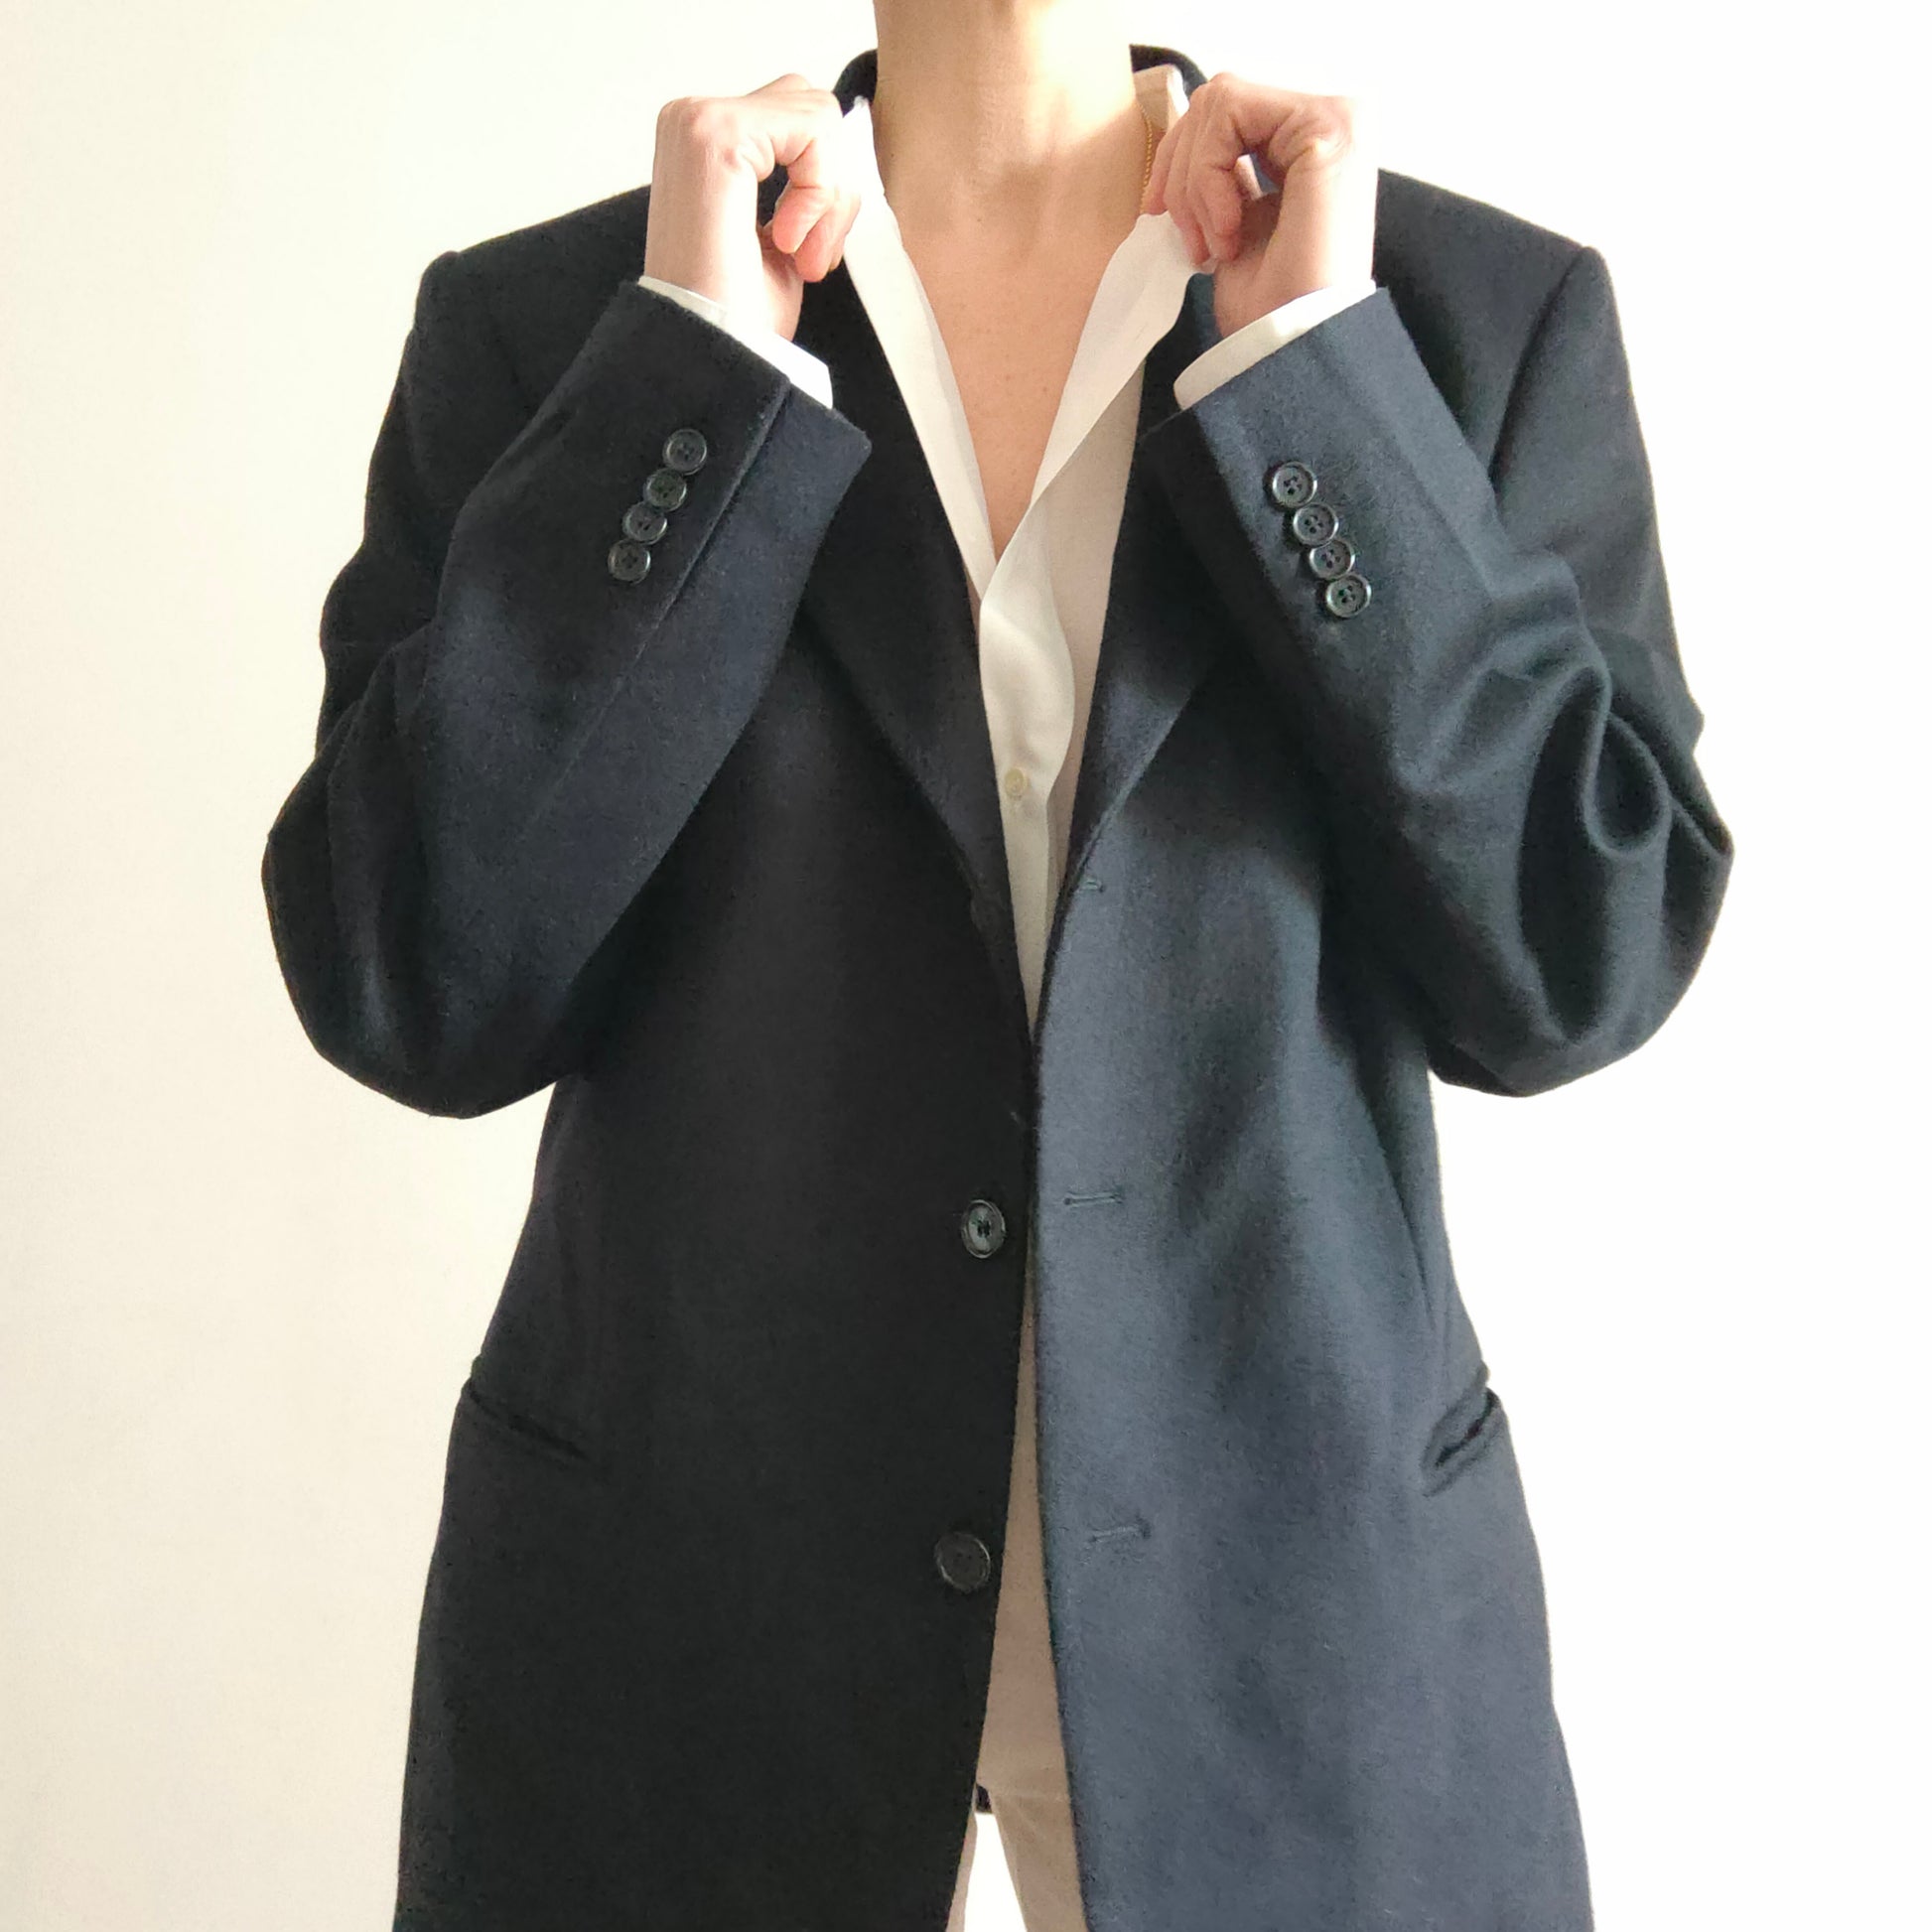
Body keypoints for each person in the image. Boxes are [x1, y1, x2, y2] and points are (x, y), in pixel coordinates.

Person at [260, 6, 1732, 1929]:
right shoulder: (568, 327)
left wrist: (1310, 375)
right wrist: (693, 379)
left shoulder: (1450, 318)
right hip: (691, 1651)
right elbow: (411, 973)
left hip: (1296, 1658)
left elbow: (1577, 949)